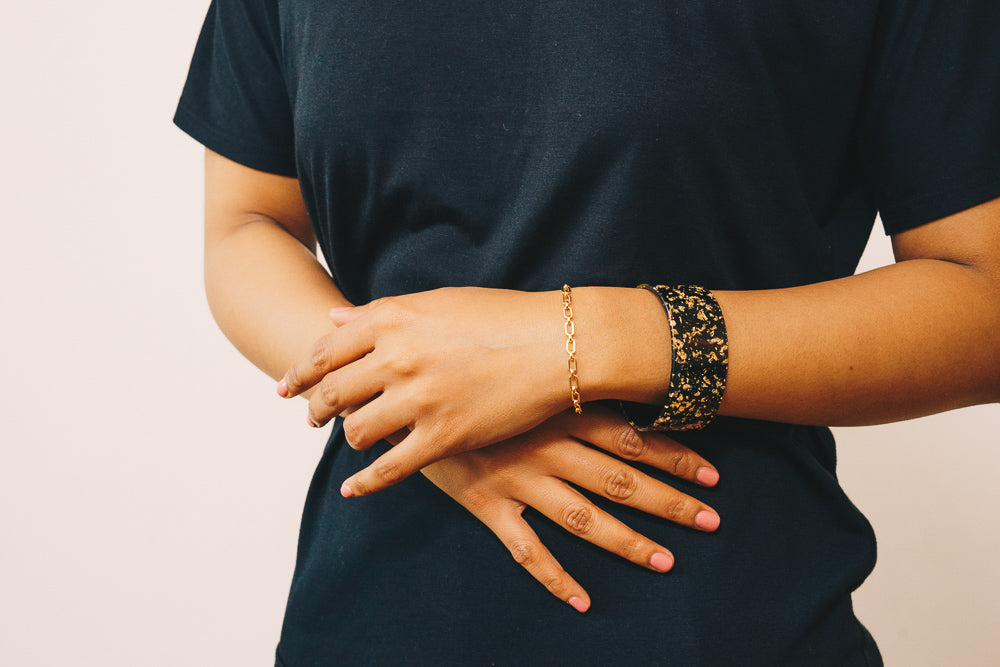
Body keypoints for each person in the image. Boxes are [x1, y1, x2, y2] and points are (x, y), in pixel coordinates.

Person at [175, 1, 1000, 664]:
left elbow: (984, 299)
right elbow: (251, 223)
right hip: (364, 615)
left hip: (718, 615)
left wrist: (583, 338)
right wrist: (421, 408)